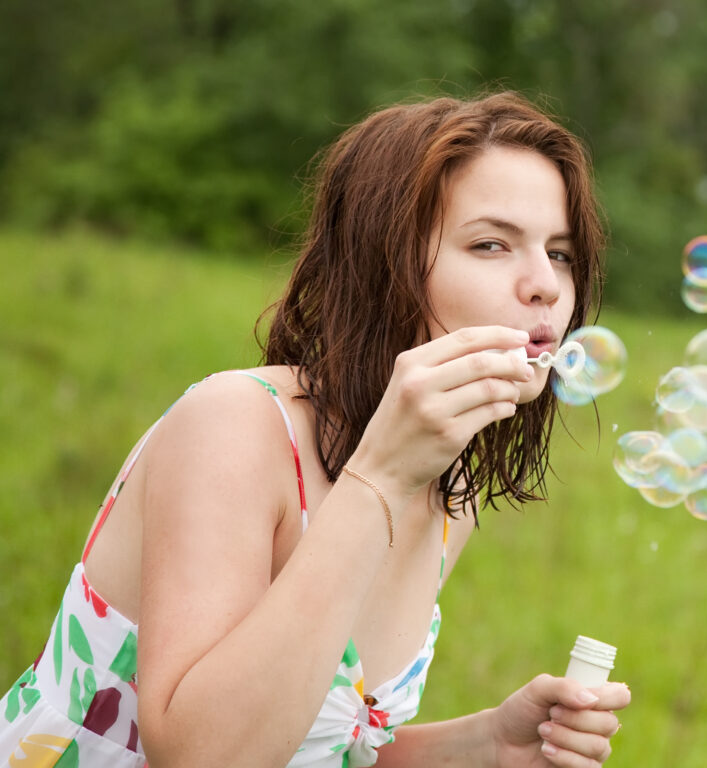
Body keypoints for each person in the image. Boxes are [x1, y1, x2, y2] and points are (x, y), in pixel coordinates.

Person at [0, 91, 630, 768]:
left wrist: (487, 746)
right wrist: (378, 480)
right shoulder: (236, 427)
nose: (545, 286)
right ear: (382, 266)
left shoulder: (452, 491)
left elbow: (311, 745)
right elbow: (202, 756)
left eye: (561, 253)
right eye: (490, 244)